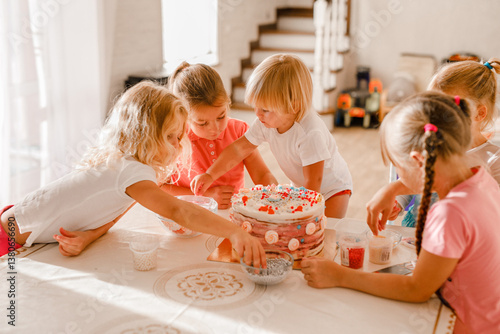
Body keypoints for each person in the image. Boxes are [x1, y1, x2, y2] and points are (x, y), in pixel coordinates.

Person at [0, 81, 266, 267]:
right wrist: (234, 232)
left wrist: (90, 236)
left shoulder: (129, 168)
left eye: (178, 136)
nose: (178, 145)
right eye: (171, 137)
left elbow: (120, 206)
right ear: (147, 136)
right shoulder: (131, 170)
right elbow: (179, 212)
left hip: (15, 222)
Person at [302, 92, 500, 333]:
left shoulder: (450, 214)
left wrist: (340, 276)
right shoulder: (482, 178)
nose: (398, 176)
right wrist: (394, 187)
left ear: (418, 161)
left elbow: (416, 290)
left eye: (397, 167)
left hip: (465, 325)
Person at [190, 54, 353, 218]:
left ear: (293, 106)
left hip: (333, 190)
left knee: (324, 232)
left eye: (265, 109)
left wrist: (302, 214)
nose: (257, 114)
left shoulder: (310, 134)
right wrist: (211, 174)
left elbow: (314, 181)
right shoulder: (265, 122)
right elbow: (238, 149)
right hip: (302, 186)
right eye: (256, 106)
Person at [382, 58, 500, 227]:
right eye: (432, 105)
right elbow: (413, 182)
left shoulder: (494, 161)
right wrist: (398, 202)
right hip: (415, 232)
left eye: (447, 109)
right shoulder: (429, 143)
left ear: (480, 114)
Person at [161, 62, 277, 209]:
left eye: (221, 116)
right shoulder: (176, 139)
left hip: (233, 213)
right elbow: (160, 187)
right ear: (183, 116)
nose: (214, 129)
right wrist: (204, 197)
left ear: (228, 103)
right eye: (202, 123)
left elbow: (261, 175)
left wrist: (276, 194)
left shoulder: (239, 131)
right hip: (192, 214)